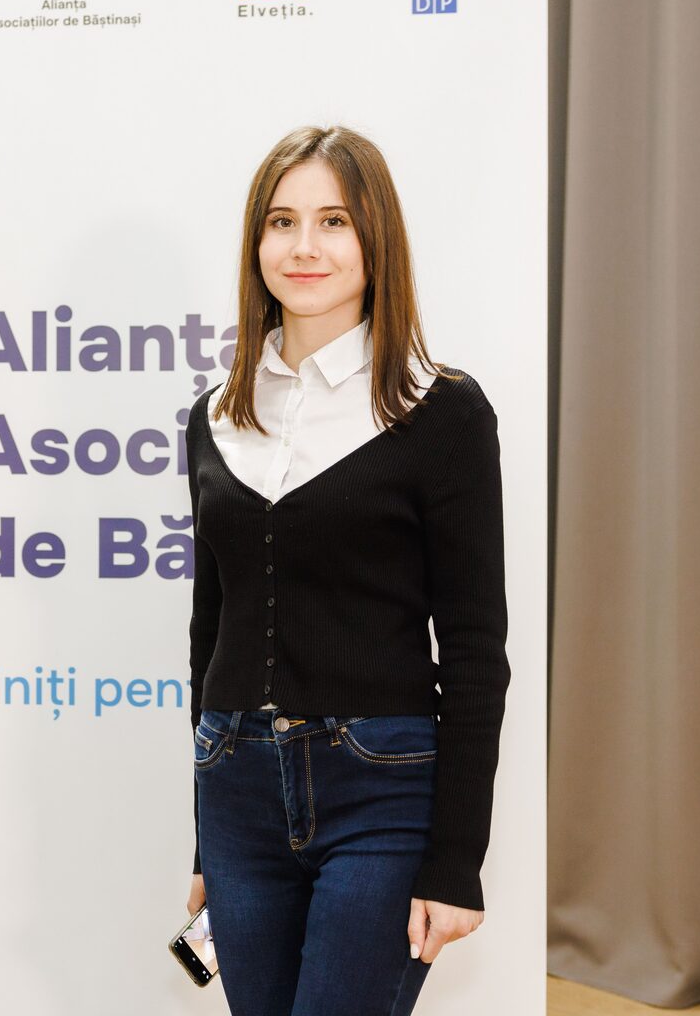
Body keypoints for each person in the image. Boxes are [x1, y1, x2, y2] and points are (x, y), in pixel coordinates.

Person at [184, 126, 509, 1015]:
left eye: (333, 221)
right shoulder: (213, 417)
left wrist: (456, 862)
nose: (304, 246)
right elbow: (211, 633)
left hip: (382, 789)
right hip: (236, 789)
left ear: (374, 240)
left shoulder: (440, 410)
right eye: (281, 221)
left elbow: (475, 651)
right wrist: (207, 842)